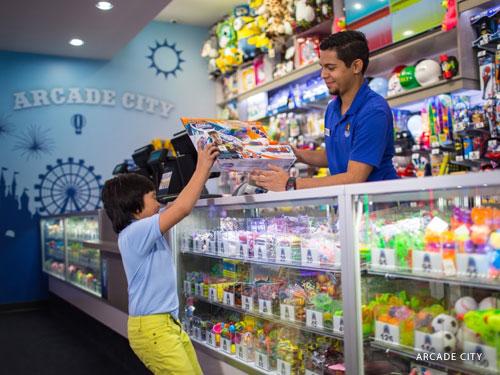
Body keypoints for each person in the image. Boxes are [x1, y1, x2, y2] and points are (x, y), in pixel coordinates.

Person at [101, 142, 219, 375]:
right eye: (153, 197)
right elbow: (182, 208)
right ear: (135, 207)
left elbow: (176, 205)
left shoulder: (139, 230)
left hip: (165, 325)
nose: (159, 203)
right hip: (154, 329)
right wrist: (203, 167)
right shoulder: (136, 232)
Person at [251, 31, 398, 191]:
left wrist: (291, 184)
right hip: (347, 203)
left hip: (378, 207)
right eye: (322, 67)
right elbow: (334, 155)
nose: (323, 75)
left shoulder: (373, 111)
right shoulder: (333, 108)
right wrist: (296, 154)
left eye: (331, 68)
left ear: (356, 66)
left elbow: (354, 178)